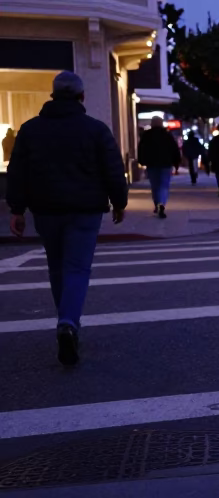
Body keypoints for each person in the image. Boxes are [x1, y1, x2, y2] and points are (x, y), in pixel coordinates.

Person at [5, 70, 127, 366]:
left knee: (57, 268)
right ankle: (68, 323)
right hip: (85, 210)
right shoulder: (95, 129)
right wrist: (119, 202)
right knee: (77, 268)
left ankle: (66, 321)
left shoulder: (30, 129)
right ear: (82, 96)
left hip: (46, 209)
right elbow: (112, 168)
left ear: (53, 95)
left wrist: (17, 209)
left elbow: (17, 172)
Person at [136, 116, 181, 219]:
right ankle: (162, 204)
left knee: (154, 185)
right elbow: (174, 149)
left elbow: (141, 149)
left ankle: (157, 203)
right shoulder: (167, 135)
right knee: (164, 185)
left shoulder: (147, 135)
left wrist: (142, 161)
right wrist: (176, 162)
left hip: (152, 164)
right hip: (166, 164)